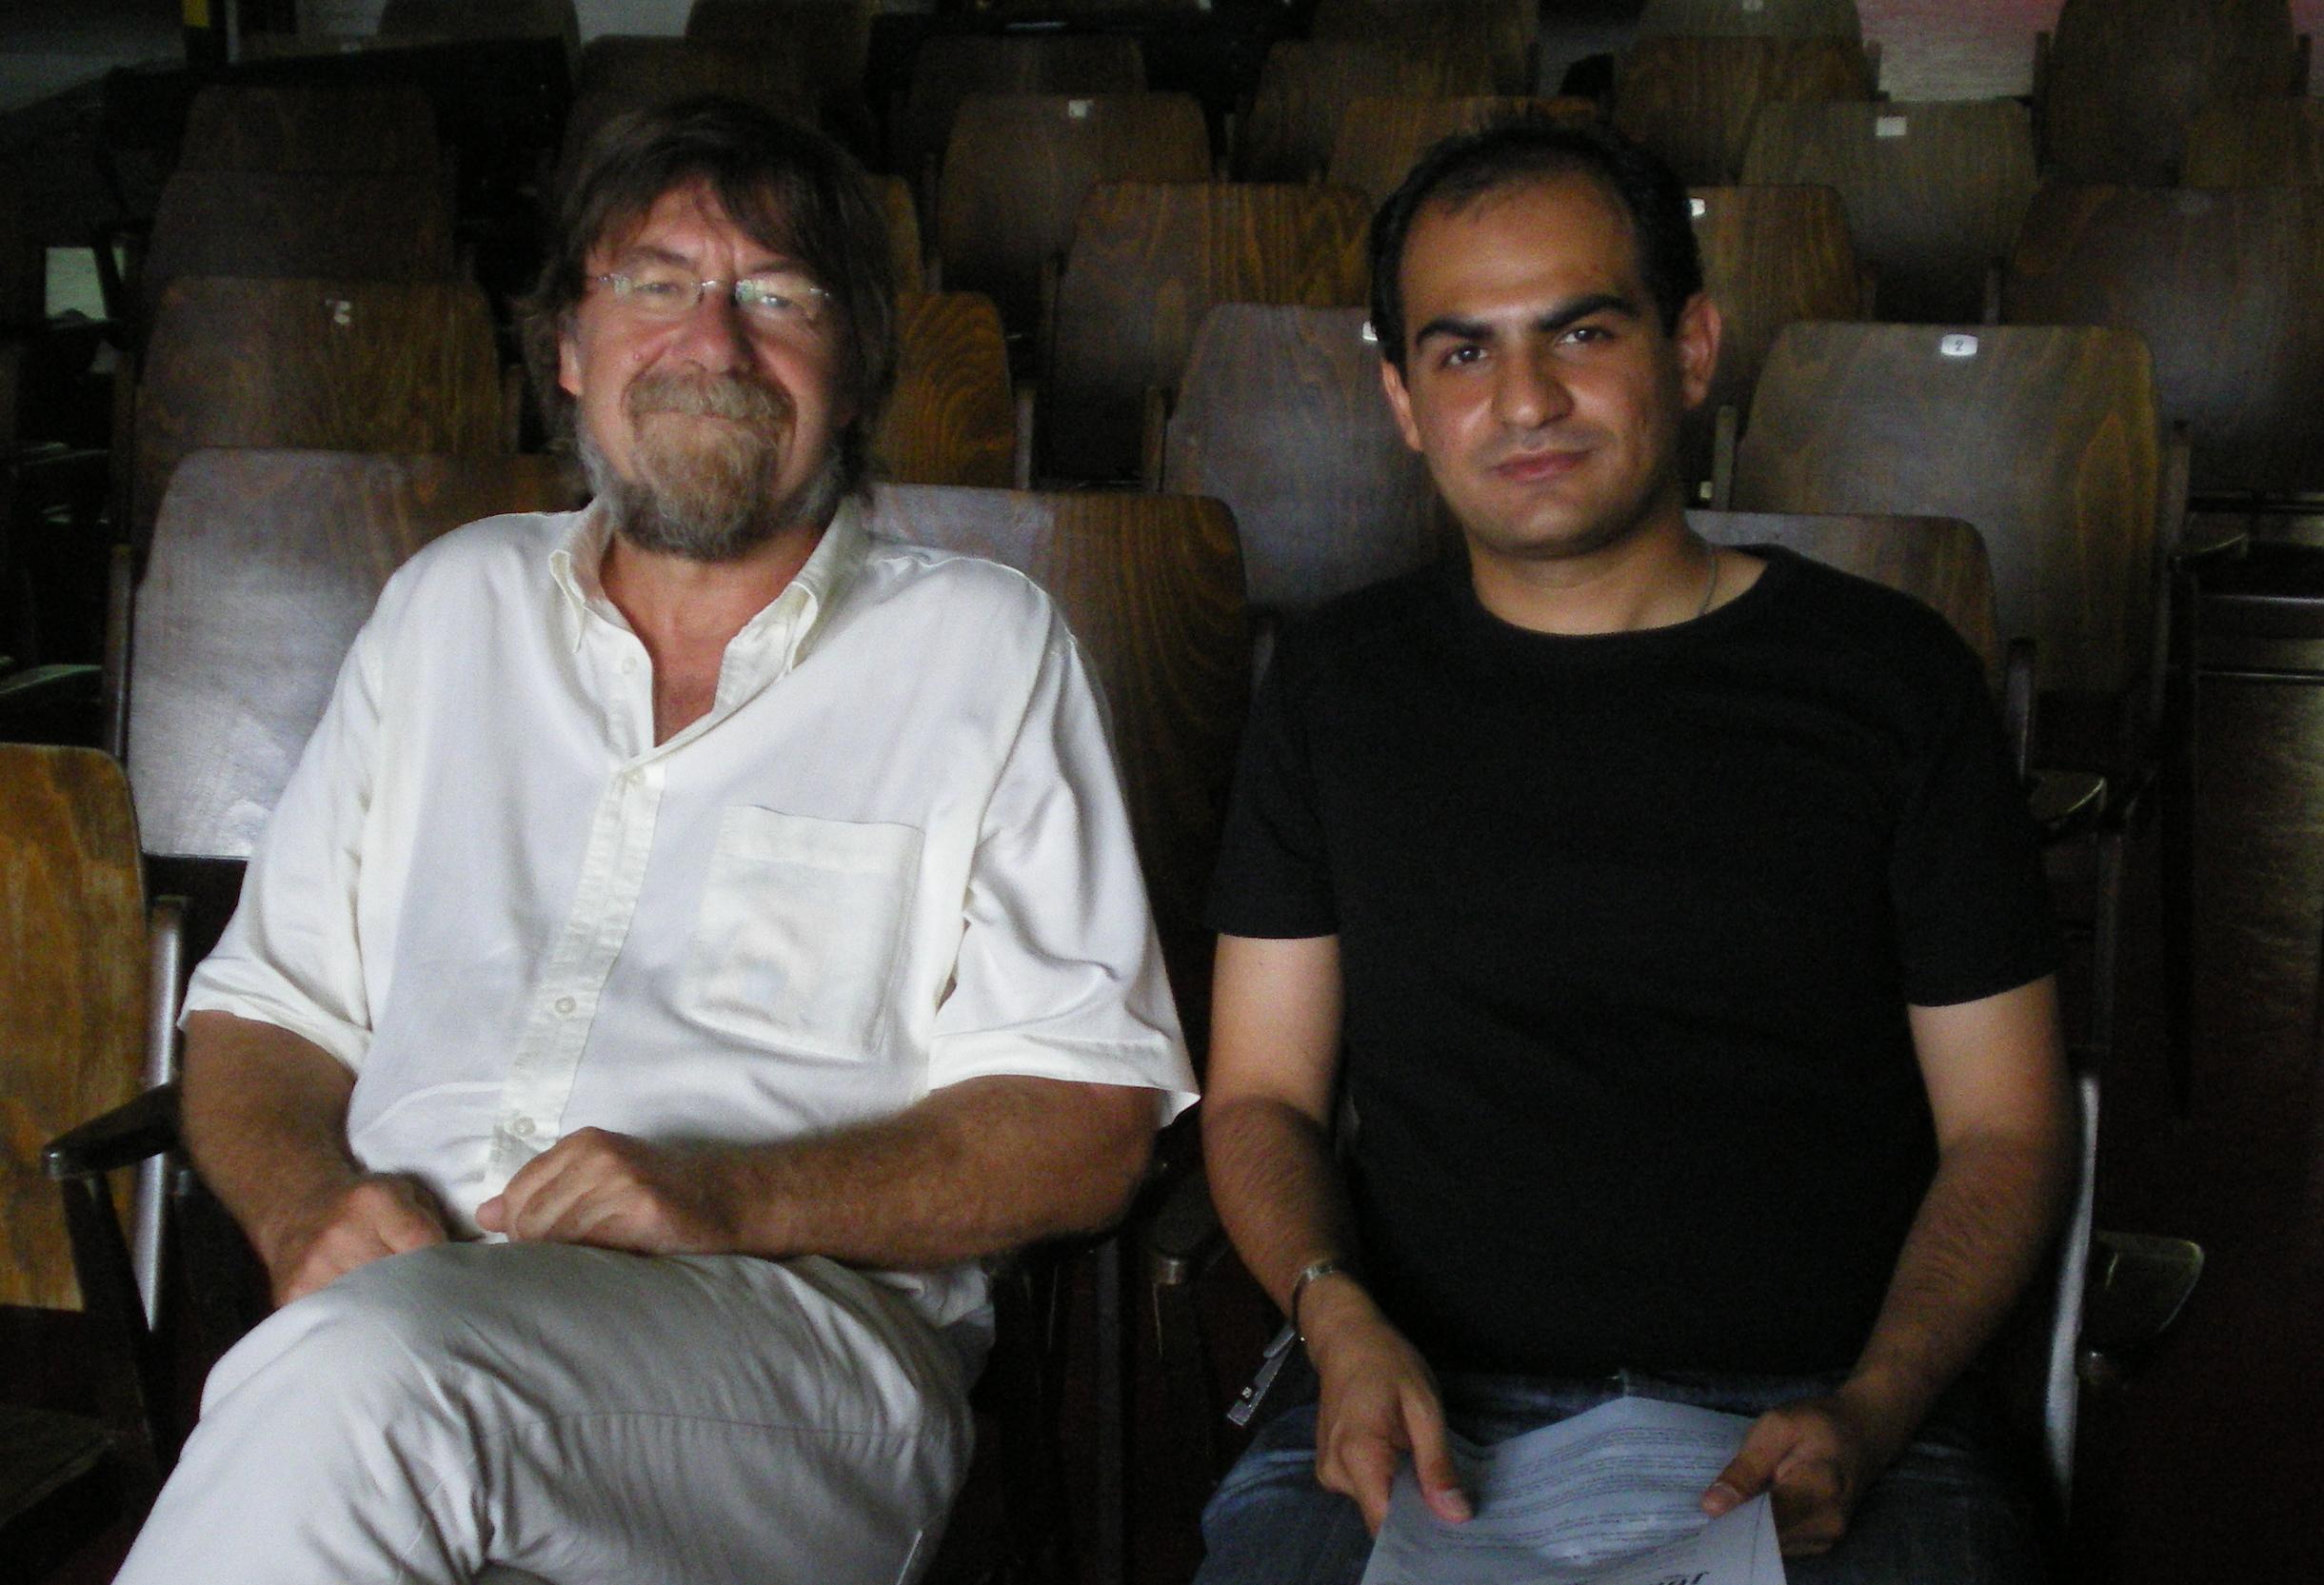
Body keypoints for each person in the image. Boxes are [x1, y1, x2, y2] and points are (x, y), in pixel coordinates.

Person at [114, 98, 1195, 1585]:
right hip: (404, 1320)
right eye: (656, 282)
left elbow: (1087, 1126)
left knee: (365, 1389)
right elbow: (264, 1013)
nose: (713, 341)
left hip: (786, 1357)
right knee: (365, 1400)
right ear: (568, 346)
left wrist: (729, 1194)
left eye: (779, 296)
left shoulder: (980, 649)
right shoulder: (448, 608)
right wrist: (307, 1206)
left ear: (855, 368)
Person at [1195, 117, 2073, 1584]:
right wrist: (1334, 1315)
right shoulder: (1335, 690)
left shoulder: (1890, 683)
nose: (1523, 399)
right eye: (1461, 352)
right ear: (1403, 400)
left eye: (1582, 332)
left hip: (1829, 1410)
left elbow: (2007, 1130)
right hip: (1415, 1398)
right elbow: (1260, 1096)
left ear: (1691, 348)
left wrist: (1875, 1401)